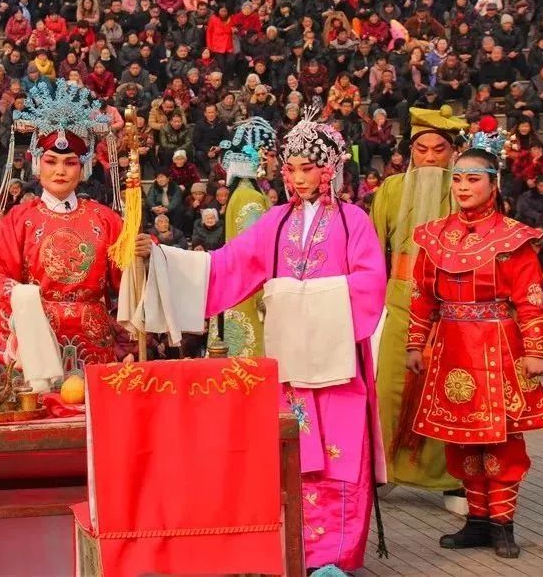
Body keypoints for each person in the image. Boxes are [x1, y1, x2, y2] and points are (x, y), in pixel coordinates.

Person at [145, 105, 388, 572]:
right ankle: (293, 550)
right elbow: (226, 266)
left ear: (329, 168)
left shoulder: (353, 221)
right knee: (295, 453)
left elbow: (371, 282)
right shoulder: (275, 222)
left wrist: (304, 300)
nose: (298, 178)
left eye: (308, 168)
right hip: (290, 364)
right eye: (291, 168)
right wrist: (161, 259)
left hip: (338, 364)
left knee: (340, 458)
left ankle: (336, 558)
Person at [406, 127, 543, 559]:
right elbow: (421, 296)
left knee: (502, 439)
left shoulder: (512, 238)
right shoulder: (434, 235)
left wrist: (536, 351)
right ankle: (476, 521)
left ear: (493, 183)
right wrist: (415, 344)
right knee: (461, 438)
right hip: (451, 347)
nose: (463, 187)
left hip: (499, 347)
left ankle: (502, 524)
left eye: (473, 179)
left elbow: (530, 298)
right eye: (457, 179)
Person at [0, 79, 151, 368]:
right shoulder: (19, 219)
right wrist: (24, 305)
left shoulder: (104, 219)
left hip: (95, 343)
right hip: (36, 340)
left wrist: (144, 256)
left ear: (83, 167)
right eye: (51, 161)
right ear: (37, 164)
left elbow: (129, 283)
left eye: (70, 163)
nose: (60, 171)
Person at [371, 106, 469, 502]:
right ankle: (386, 468)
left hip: (450, 307)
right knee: (389, 387)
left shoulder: (466, 190)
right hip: (398, 301)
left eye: (439, 150)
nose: (429, 158)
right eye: (421, 149)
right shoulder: (391, 189)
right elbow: (373, 250)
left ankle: (449, 479)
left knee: (446, 390)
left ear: (453, 153)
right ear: (409, 151)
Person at [206, 117, 276, 357]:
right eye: (271, 155)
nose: (276, 162)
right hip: (248, 293)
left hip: (236, 288)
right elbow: (253, 253)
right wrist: (264, 296)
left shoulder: (242, 193)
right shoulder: (250, 197)